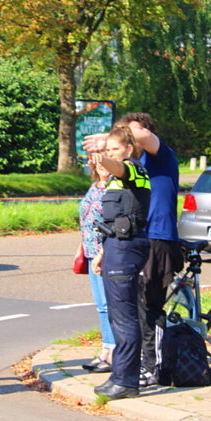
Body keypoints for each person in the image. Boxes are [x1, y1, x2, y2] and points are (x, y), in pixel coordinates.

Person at [84, 112, 182, 386]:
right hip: (135, 240)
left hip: (158, 238)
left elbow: (145, 136)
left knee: (150, 306)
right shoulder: (130, 165)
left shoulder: (160, 156)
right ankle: (134, 366)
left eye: (128, 134)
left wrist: (112, 137)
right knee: (131, 308)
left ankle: (153, 367)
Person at [90, 124, 152, 401]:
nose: (111, 154)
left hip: (128, 249)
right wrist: (103, 252)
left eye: (115, 149)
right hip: (116, 247)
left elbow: (120, 169)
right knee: (117, 315)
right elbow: (114, 222)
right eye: (107, 150)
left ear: (128, 149)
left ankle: (127, 381)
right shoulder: (116, 181)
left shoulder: (135, 169)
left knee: (126, 317)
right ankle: (118, 375)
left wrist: (102, 158)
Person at [75, 156, 114, 373]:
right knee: (101, 306)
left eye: (105, 161)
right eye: (97, 162)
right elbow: (87, 219)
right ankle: (105, 350)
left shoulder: (114, 188)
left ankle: (113, 353)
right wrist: (81, 247)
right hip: (90, 252)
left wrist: (102, 251)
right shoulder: (95, 186)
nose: (101, 165)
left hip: (105, 253)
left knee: (109, 305)